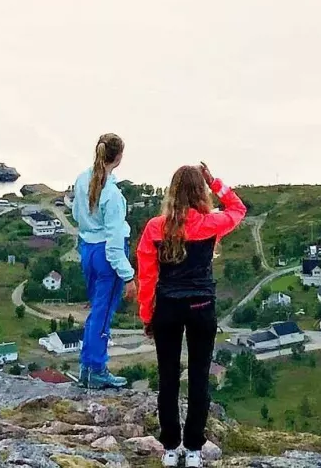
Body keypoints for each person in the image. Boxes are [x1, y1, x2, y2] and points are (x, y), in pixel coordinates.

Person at [136, 162, 246, 468]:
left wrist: (147, 315)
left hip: (168, 308)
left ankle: (170, 449)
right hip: (201, 307)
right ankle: (194, 449)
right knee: (199, 378)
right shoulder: (211, 223)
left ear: (171, 192)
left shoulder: (155, 228)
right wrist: (216, 184)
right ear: (200, 191)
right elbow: (238, 208)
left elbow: (146, 278)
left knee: (168, 377)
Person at [73, 132, 136, 389]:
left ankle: (87, 369)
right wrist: (129, 276)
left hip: (87, 249)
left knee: (95, 312)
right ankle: (96, 368)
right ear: (118, 157)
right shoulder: (112, 196)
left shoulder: (82, 179)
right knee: (103, 313)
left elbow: (77, 214)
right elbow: (113, 245)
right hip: (106, 257)